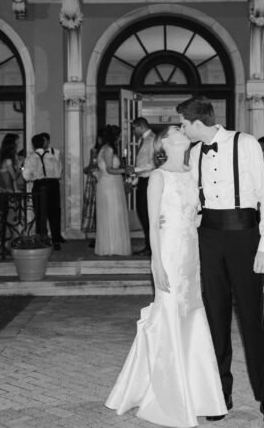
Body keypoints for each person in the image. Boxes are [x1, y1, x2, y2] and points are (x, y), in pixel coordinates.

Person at [106, 125, 227, 426]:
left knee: (191, 315)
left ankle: (197, 391)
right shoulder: (158, 177)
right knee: (170, 314)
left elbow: (197, 214)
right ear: (165, 142)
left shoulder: (192, 173)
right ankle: (169, 395)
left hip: (191, 255)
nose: (183, 130)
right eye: (177, 129)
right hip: (170, 254)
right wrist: (156, 264)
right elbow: (153, 226)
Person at [176, 96, 264, 427]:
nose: (182, 129)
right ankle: (220, 394)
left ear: (197, 123)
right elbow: (194, 201)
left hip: (244, 237)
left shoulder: (246, 143)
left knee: (252, 320)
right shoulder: (195, 153)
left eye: (183, 124)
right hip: (209, 238)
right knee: (215, 320)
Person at [93, 124, 131, 256]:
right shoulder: (108, 149)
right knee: (112, 214)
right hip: (110, 185)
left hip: (109, 184)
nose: (119, 138)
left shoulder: (104, 148)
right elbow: (109, 169)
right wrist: (125, 170)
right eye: (118, 136)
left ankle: (111, 246)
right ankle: (112, 247)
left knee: (111, 214)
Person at [22, 133, 64, 250]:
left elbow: (26, 176)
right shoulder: (52, 156)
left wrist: (33, 177)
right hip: (53, 185)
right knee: (54, 213)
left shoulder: (30, 158)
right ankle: (55, 240)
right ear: (44, 143)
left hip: (39, 186)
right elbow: (59, 173)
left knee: (40, 214)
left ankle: (41, 240)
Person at [127, 117, 155, 256]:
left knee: (147, 215)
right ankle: (148, 245)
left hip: (150, 181)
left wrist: (135, 169)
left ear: (141, 126)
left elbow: (154, 163)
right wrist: (133, 182)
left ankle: (151, 247)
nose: (133, 131)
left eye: (134, 128)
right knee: (143, 214)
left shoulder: (152, 139)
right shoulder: (143, 140)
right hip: (143, 181)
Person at [39, 132, 67, 244]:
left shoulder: (56, 152)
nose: (43, 143)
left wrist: (57, 174)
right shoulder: (36, 154)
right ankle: (42, 236)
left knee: (55, 211)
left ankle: (56, 236)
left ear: (48, 141)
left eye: (44, 140)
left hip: (53, 182)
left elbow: (60, 167)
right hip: (41, 182)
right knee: (41, 211)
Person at [82, 129, 104, 247]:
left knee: (101, 207)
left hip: (102, 178)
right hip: (93, 180)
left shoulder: (107, 150)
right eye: (98, 137)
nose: (99, 140)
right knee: (94, 207)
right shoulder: (94, 150)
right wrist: (87, 169)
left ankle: (102, 235)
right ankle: (97, 235)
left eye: (100, 137)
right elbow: (91, 165)